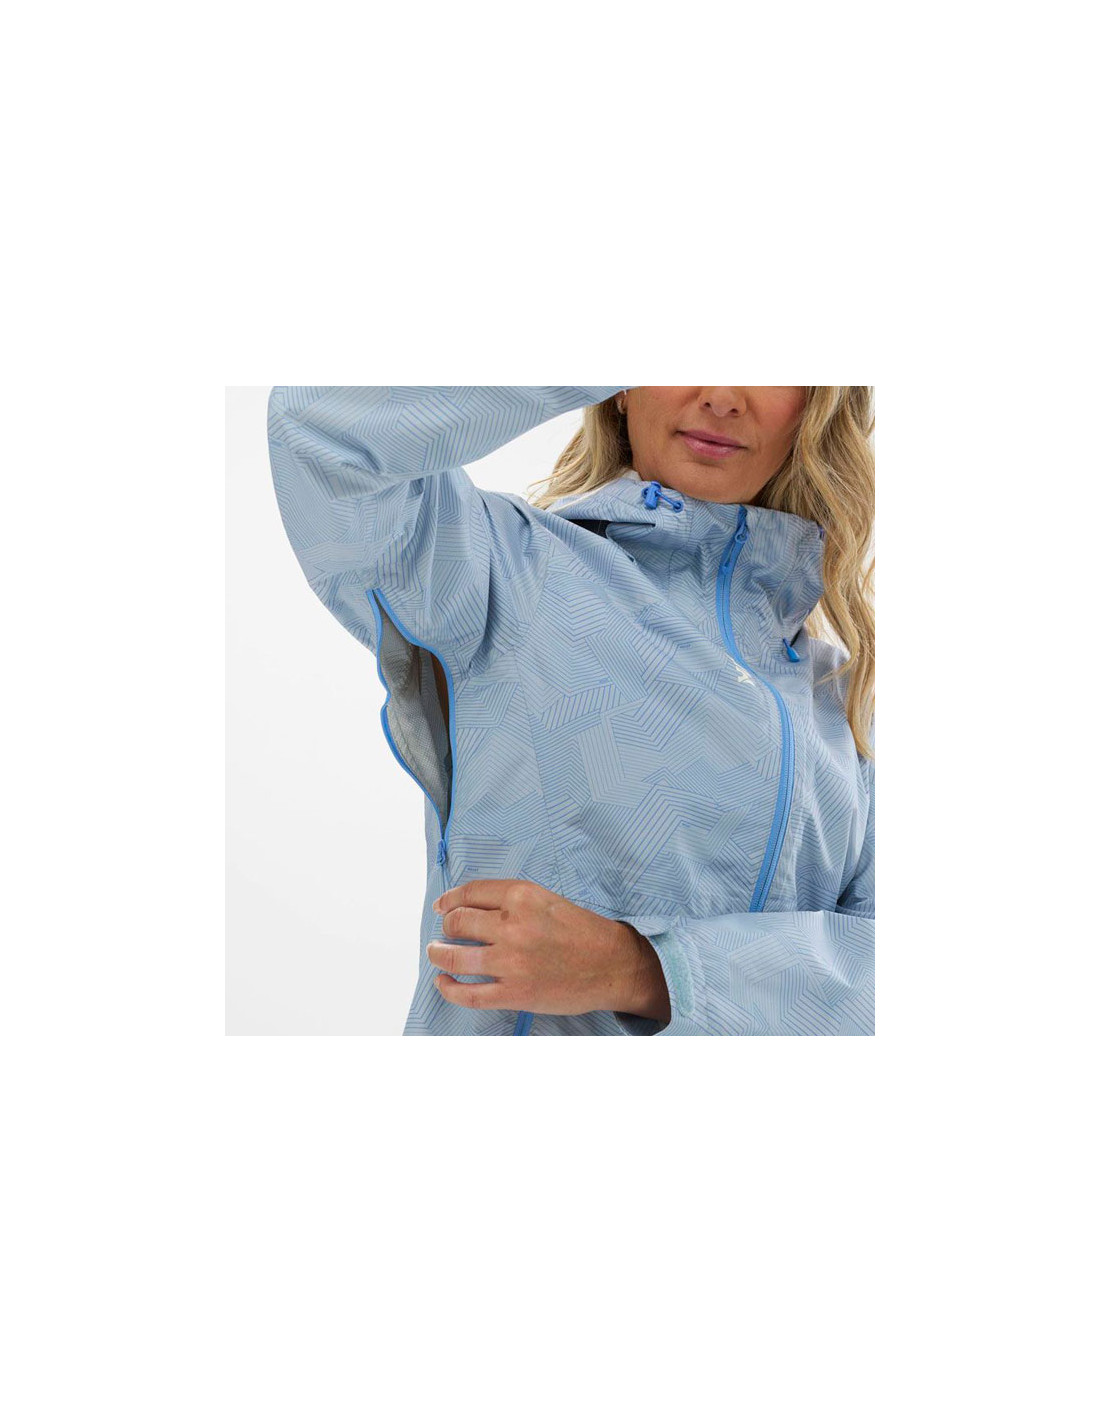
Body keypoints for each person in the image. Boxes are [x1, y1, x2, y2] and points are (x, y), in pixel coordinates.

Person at [267, 386, 874, 1035]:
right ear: (621, 389)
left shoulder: (845, 700)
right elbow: (321, 430)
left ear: (816, 404)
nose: (723, 396)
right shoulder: (502, 571)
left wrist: (644, 970)